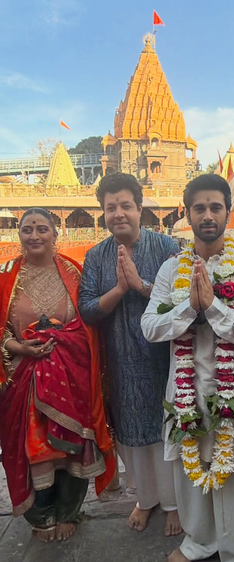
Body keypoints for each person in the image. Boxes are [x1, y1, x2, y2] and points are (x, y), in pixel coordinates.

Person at [141, 174, 234, 562]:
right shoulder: (171, 270)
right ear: (187, 214)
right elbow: (150, 327)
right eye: (199, 208)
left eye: (216, 207)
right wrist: (190, 308)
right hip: (186, 389)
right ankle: (199, 542)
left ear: (228, 213)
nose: (208, 215)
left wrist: (213, 307)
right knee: (191, 468)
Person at [0, 208, 115, 543]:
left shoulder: (75, 273)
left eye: (42, 229)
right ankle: (40, 515)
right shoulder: (5, 277)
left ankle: (68, 511)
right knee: (28, 447)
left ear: (55, 233)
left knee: (73, 447)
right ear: (19, 235)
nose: (34, 235)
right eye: (27, 229)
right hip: (22, 377)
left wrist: (61, 342)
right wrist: (19, 347)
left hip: (72, 373)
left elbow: (90, 324)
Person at [78, 173, 182, 536]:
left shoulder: (167, 247)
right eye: (111, 208)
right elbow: (87, 308)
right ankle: (147, 498)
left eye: (126, 206)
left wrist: (141, 285)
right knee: (132, 436)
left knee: (168, 429)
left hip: (163, 359)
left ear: (140, 209)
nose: (118, 213)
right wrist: (120, 289)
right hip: (120, 362)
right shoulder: (96, 256)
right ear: (104, 214)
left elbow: (182, 300)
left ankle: (174, 503)